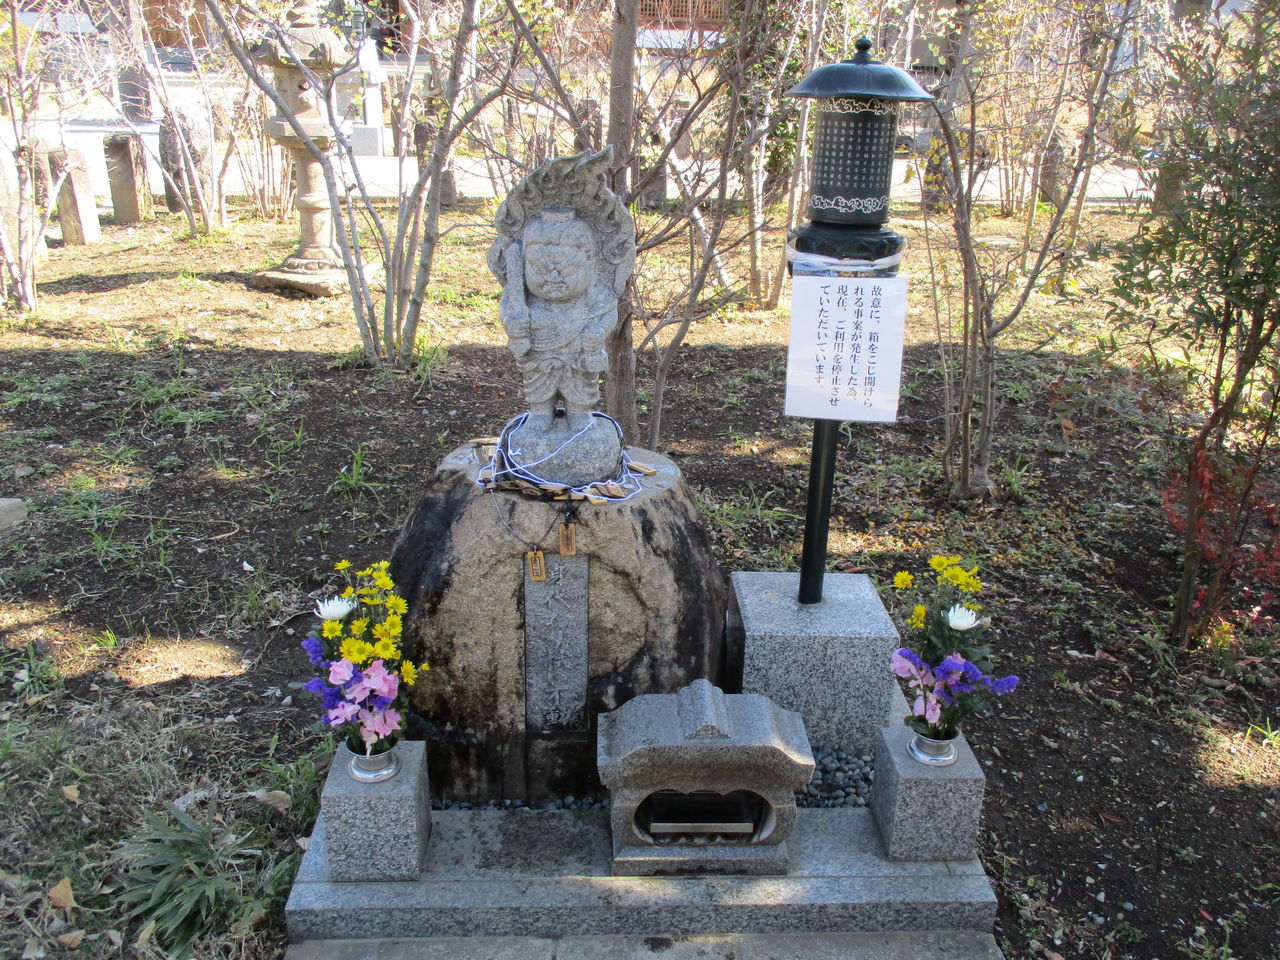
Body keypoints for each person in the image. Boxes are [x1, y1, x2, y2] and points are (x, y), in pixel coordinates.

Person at [498, 207, 618, 433]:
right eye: (540, 269)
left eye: (565, 268)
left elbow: (608, 313)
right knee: (537, 383)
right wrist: (512, 324)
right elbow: (508, 310)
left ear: (588, 263)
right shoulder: (522, 298)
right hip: (540, 355)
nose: (553, 276)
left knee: (580, 384)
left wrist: (599, 331)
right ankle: (540, 413)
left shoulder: (596, 296)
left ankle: (580, 414)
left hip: (578, 354)